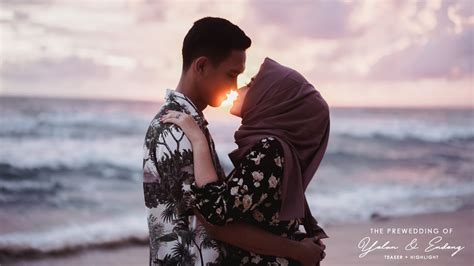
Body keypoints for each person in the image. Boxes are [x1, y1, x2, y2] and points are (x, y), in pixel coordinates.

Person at [143, 17, 326, 265]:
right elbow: (214, 221)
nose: (234, 87)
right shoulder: (175, 132)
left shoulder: (191, 125)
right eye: (232, 74)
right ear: (202, 67)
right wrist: (296, 250)